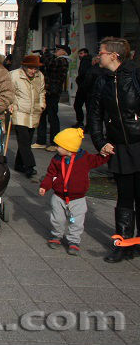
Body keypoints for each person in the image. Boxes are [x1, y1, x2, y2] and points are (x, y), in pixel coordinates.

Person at [89, 37, 140, 263]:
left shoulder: (135, 75)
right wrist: (100, 141)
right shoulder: (103, 81)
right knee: (125, 198)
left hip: (139, 143)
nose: (98, 55)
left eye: (101, 51)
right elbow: (95, 114)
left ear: (114, 55)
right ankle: (124, 244)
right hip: (118, 146)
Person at [39, 128, 111, 256]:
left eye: (59, 146)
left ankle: (73, 241)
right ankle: (56, 236)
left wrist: (105, 154)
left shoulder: (84, 158)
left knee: (76, 221)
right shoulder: (56, 159)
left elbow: (97, 160)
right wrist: (45, 186)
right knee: (57, 219)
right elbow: (50, 174)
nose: (57, 148)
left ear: (68, 148)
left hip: (78, 198)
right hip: (59, 196)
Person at [9, 54, 46, 179]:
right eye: (30, 68)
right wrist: (11, 105)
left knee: (27, 140)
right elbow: (9, 92)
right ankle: (29, 166)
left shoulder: (39, 76)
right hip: (19, 111)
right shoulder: (14, 75)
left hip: (34, 112)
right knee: (24, 140)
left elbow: (42, 91)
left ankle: (19, 164)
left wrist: (42, 104)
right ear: (24, 67)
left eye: (35, 68)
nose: (33, 71)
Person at [35, 44, 71, 151]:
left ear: (64, 52)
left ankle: (54, 142)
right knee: (42, 116)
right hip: (47, 91)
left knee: (52, 117)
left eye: (59, 50)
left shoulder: (62, 61)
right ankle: (41, 141)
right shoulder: (57, 59)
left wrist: (46, 53)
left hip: (53, 93)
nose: (56, 51)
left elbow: (51, 64)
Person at [73, 48, 92, 129]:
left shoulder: (85, 61)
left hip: (84, 87)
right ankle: (88, 124)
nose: (79, 56)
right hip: (87, 87)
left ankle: (81, 122)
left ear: (85, 53)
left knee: (78, 105)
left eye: (81, 54)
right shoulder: (88, 60)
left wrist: (78, 80)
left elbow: (83, 73)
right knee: (88, 107)